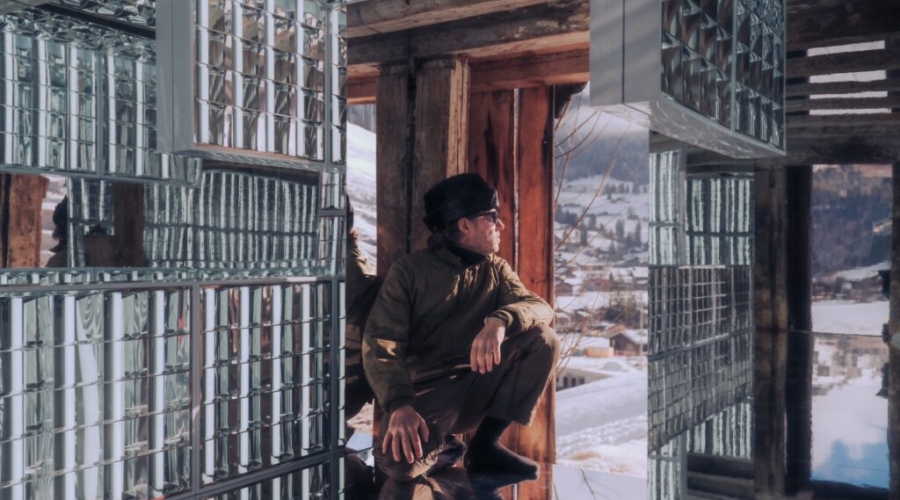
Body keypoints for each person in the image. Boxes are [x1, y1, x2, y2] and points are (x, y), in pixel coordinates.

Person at [362, 173, 560, 482]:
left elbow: (540, 308)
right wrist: (399, 404)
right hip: (422, 397)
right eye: (491, 217)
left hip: (477, 386)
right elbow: (382, 342)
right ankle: (445, 448)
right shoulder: (409, 272)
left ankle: (485, 445)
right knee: (399, 468)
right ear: (465, 225)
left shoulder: (497, 270)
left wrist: (500, 321)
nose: (500, 225)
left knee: (543, 339)